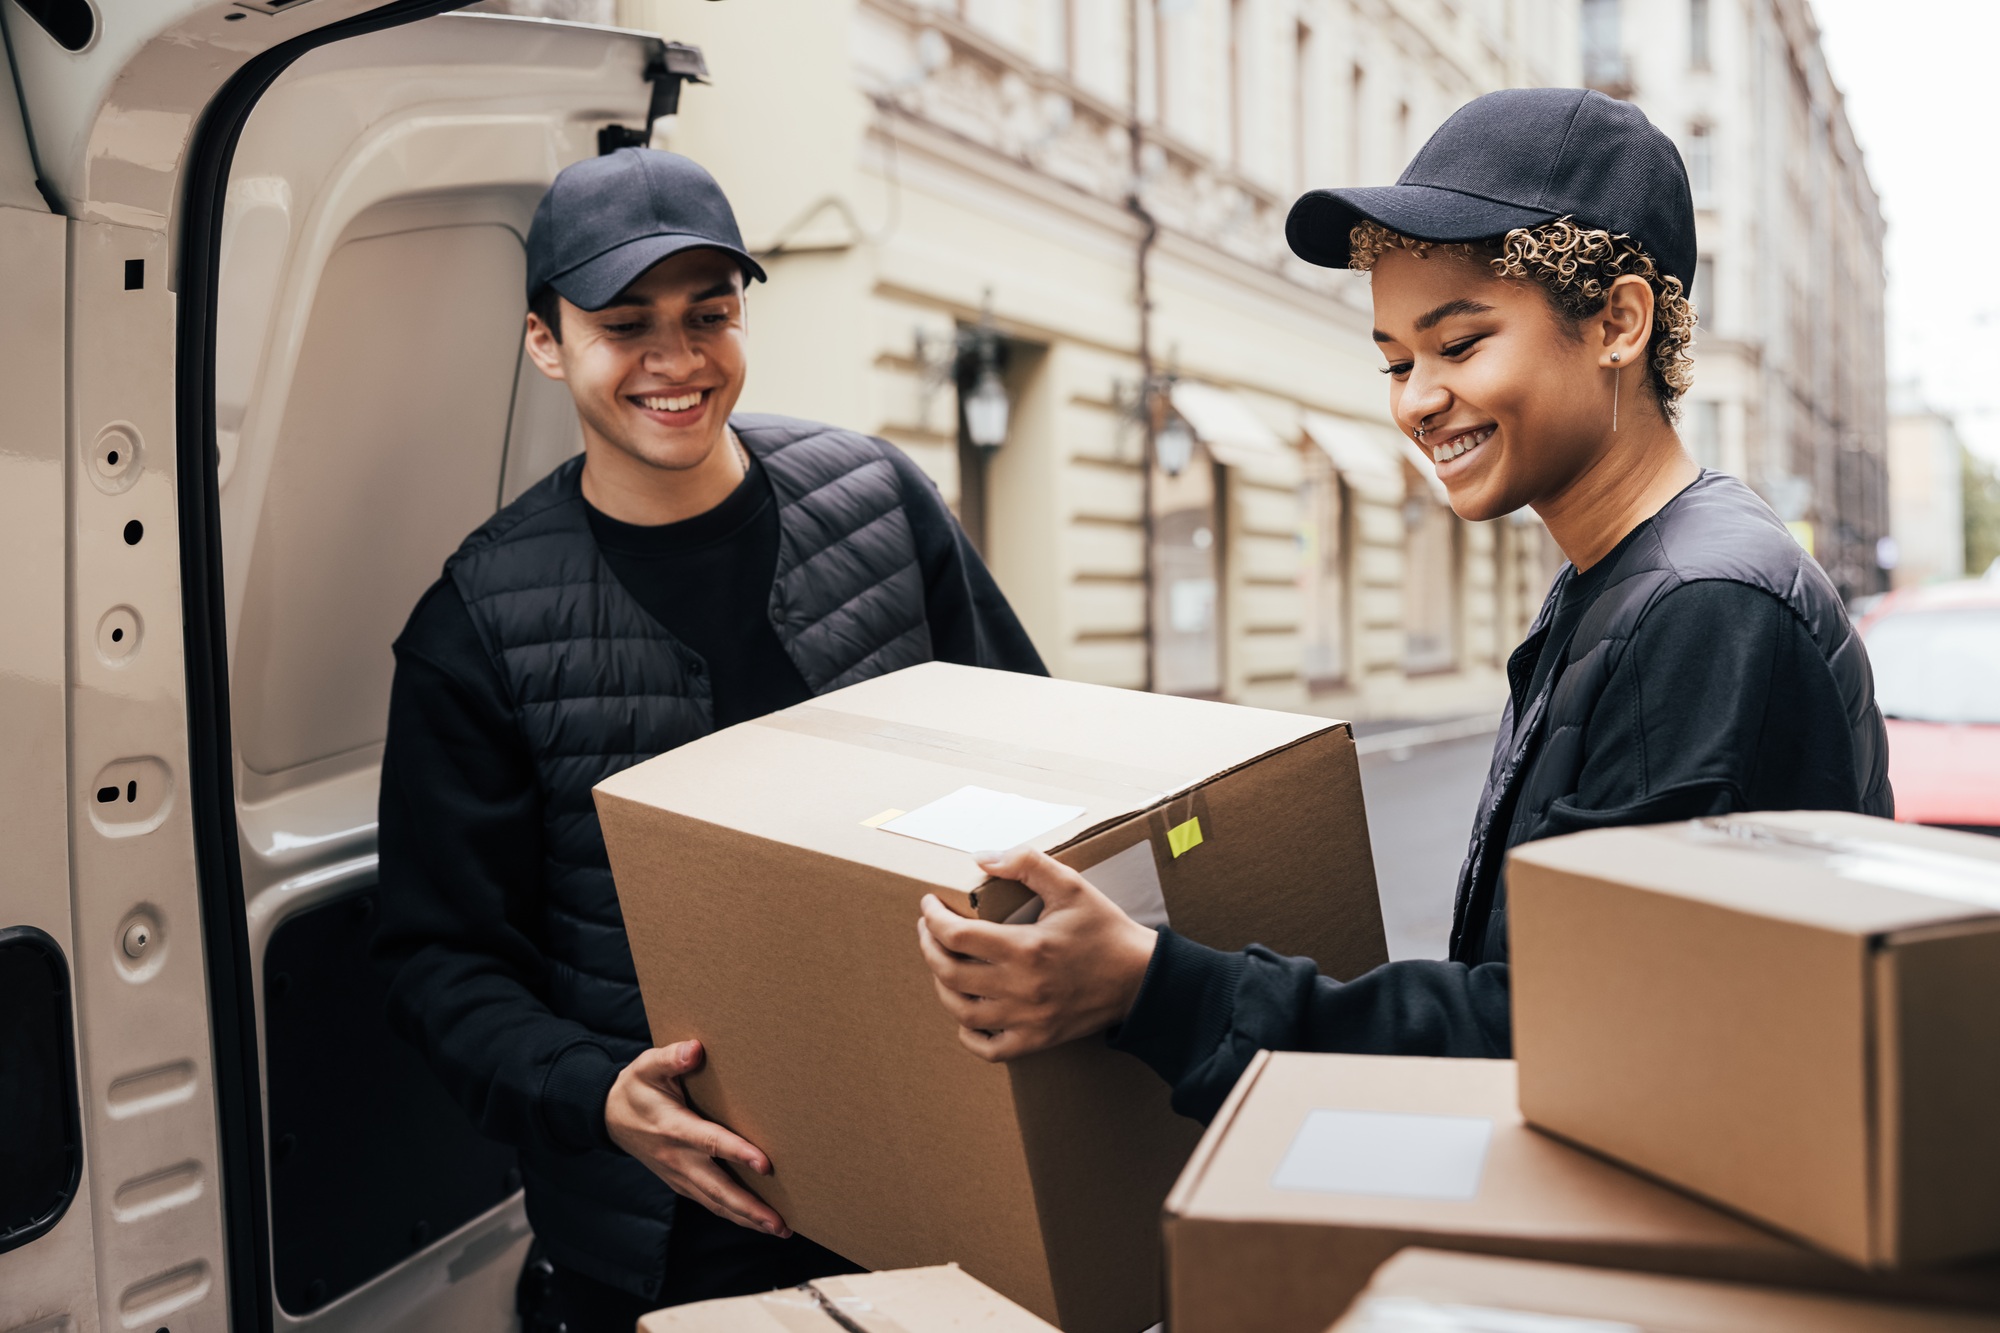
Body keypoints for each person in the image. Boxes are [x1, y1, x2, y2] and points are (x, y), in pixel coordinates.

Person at [914, 87, 1891, 1124]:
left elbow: (1561, 1038)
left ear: (1615, 321)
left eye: (1458, 344)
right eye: (1393, 360)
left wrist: (1152, 988)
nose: (1416, 399)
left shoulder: (1701, 604)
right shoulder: (1634, 574)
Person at [373, 148, 1045, 1333]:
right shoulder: (474, 623)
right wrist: (598, 1096)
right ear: (544, 341)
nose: (675, 361)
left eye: (708, 316)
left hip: (940, 1165)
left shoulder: (880, 502)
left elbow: (1038, 762)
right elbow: (441, 963)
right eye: (625, 324)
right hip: (659, 1234)